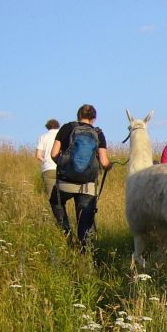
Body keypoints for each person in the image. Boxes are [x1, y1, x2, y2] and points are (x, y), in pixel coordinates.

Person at [49, 104, 111, 247]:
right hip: (87, 185)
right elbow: (104, 161)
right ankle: (84, 251)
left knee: (56, 201)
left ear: (78, 115)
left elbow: (53, 154)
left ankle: (67, 235)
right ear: (94, 118)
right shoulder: (98, 133)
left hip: (65, 182)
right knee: (85, 220)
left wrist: (62, 164)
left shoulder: (67, 128)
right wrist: (109, 166)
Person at [35, 118, 60, 198]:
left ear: (47, 127)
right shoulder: (61, 135)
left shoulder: (43, 137)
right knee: (62, 196)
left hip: (48, 168)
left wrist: (45, 161)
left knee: (51, 197)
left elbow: (38, 155)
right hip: (61, 168)